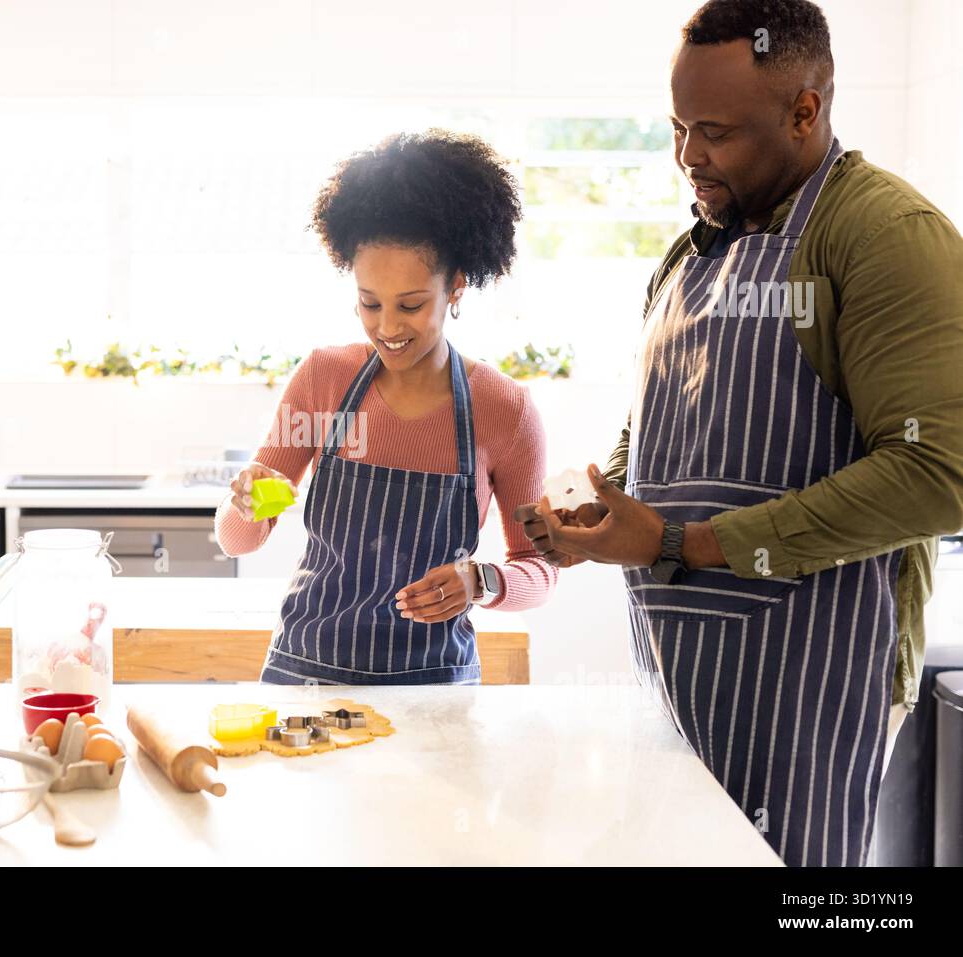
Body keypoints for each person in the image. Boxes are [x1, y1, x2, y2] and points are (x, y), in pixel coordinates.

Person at [521, 0, 963, 867]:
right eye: (679, 127)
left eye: (715, 131)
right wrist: (594, 512)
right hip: (678, 678)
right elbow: (652, 427)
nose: (688, 155)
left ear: (806, 111)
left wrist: (694, 541)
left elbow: (938, 470)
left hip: (811, 692)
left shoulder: (881, 235)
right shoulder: (692, 253)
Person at [215, 130, 557, 685]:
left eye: (412, 305)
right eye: (369, 304)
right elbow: (238, 539)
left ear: (458, 286)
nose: (388, 328)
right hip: (306, 681)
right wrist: (247, 503)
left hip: (434, 692)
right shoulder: (325, 380)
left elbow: (540, 566)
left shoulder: (506, 411)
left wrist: (480, 581)